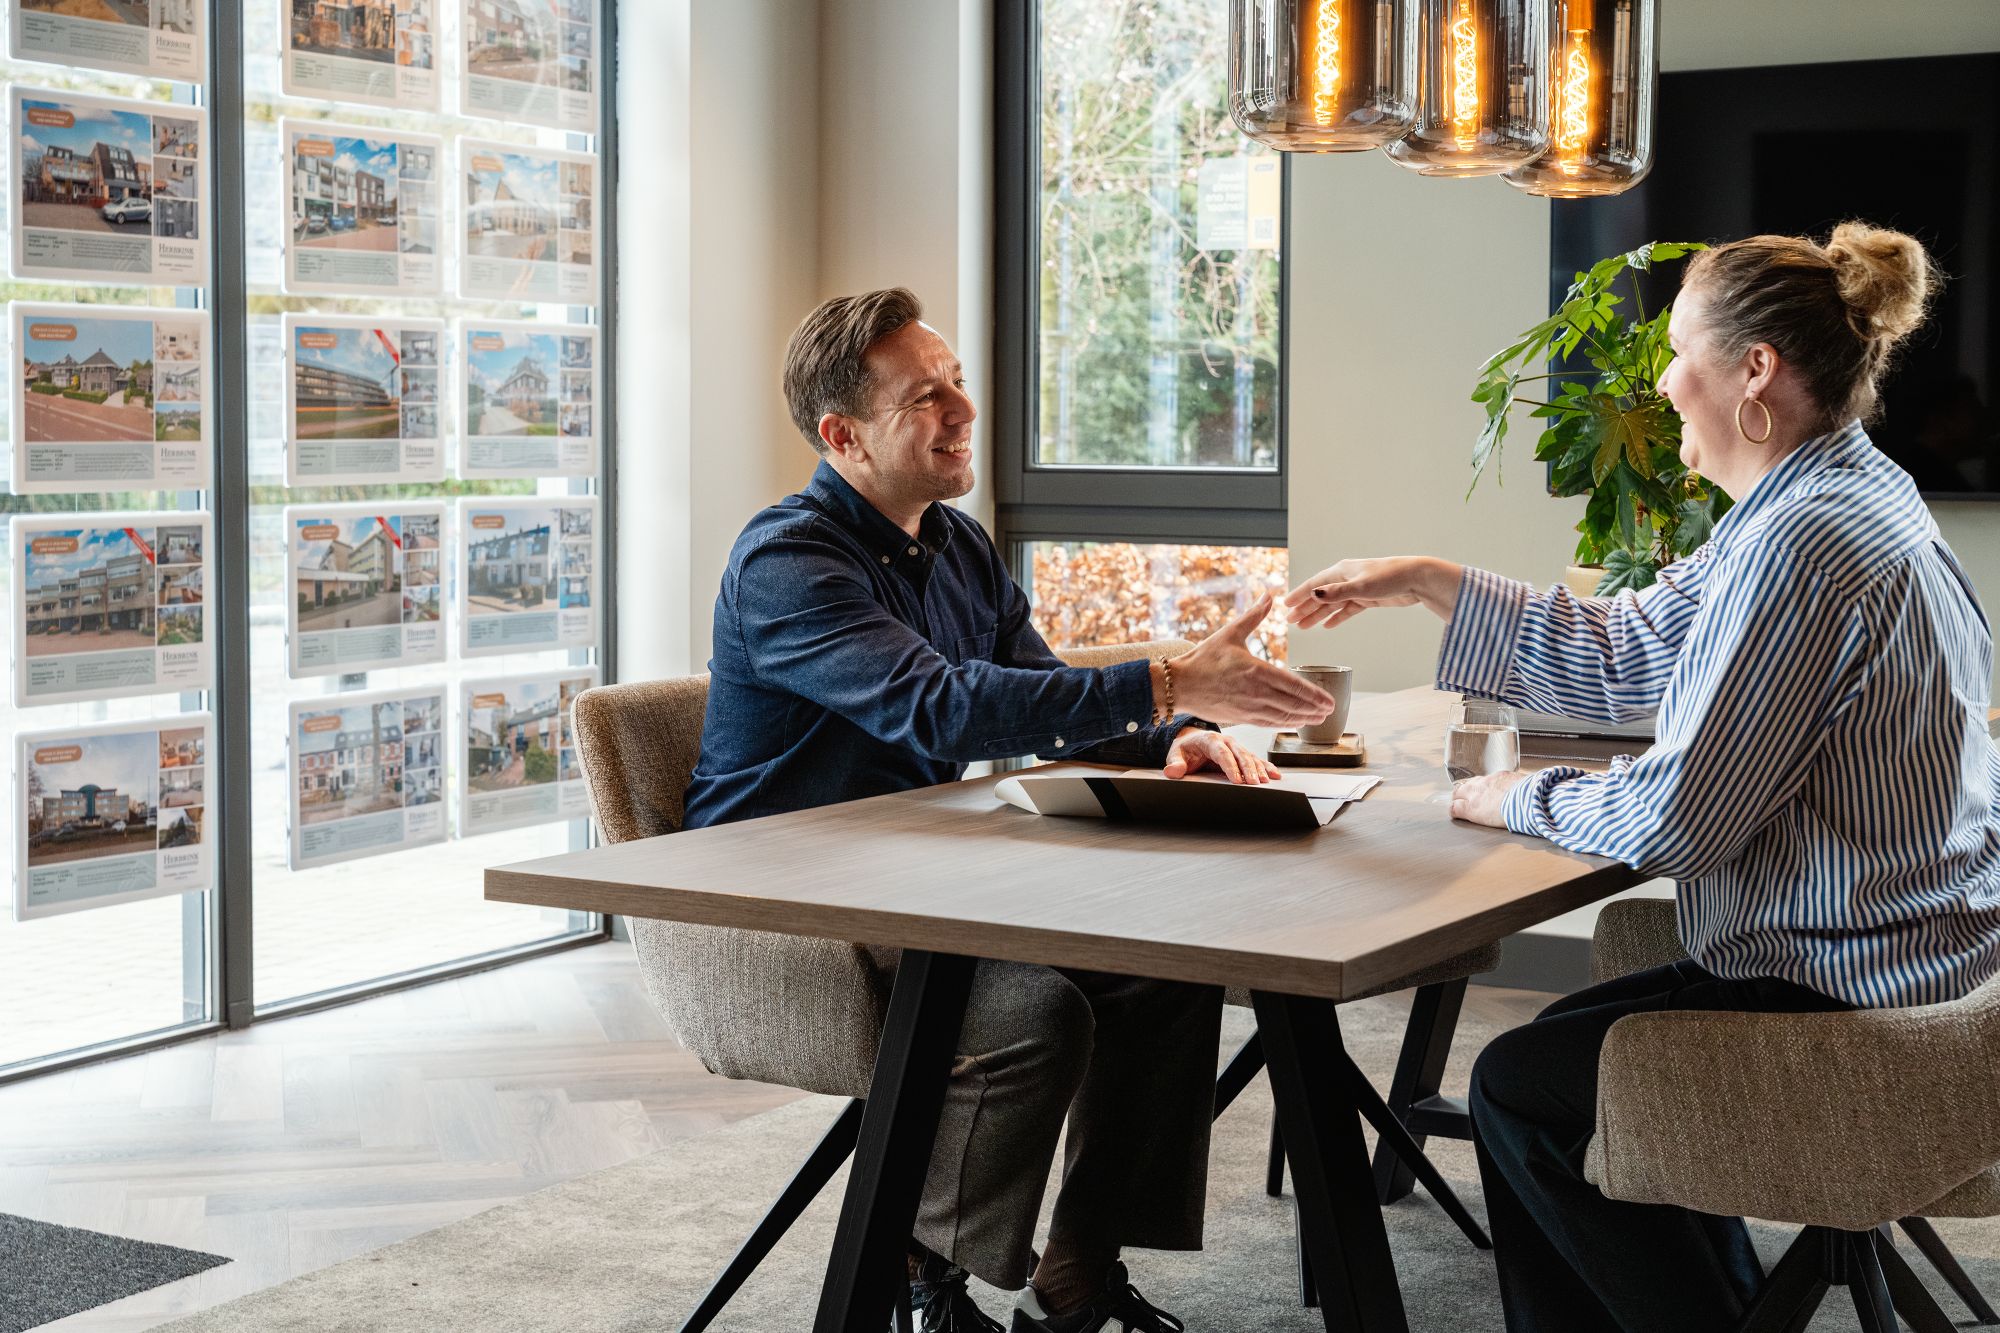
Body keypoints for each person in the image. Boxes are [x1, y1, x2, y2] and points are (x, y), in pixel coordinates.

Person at [1281, 222, 2000, 1332]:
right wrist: (1428, 580)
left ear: (1752, 370)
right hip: (1919, 958)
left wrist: (1503, 794)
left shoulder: (1801, 543)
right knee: (1559, 1061)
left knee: (1521, 1091)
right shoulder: (1838, 493)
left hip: (1851, 994)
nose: (1662, 383)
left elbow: (1676, 820)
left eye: (1677, 352)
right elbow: (1633, 643)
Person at [683, 288, 1334, 1332]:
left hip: (922, 875)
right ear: (841, 435)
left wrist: (1176, 739)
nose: (961, 410)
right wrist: (1168, 681)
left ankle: (1075, 1270)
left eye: (956, 384)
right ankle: (914, 1272)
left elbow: (1036, 700)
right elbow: (943, 710)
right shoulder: (787, 560)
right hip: (786, 903)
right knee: (1032, 1009)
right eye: (924, 397)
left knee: (1172, 958)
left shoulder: (958, 546)